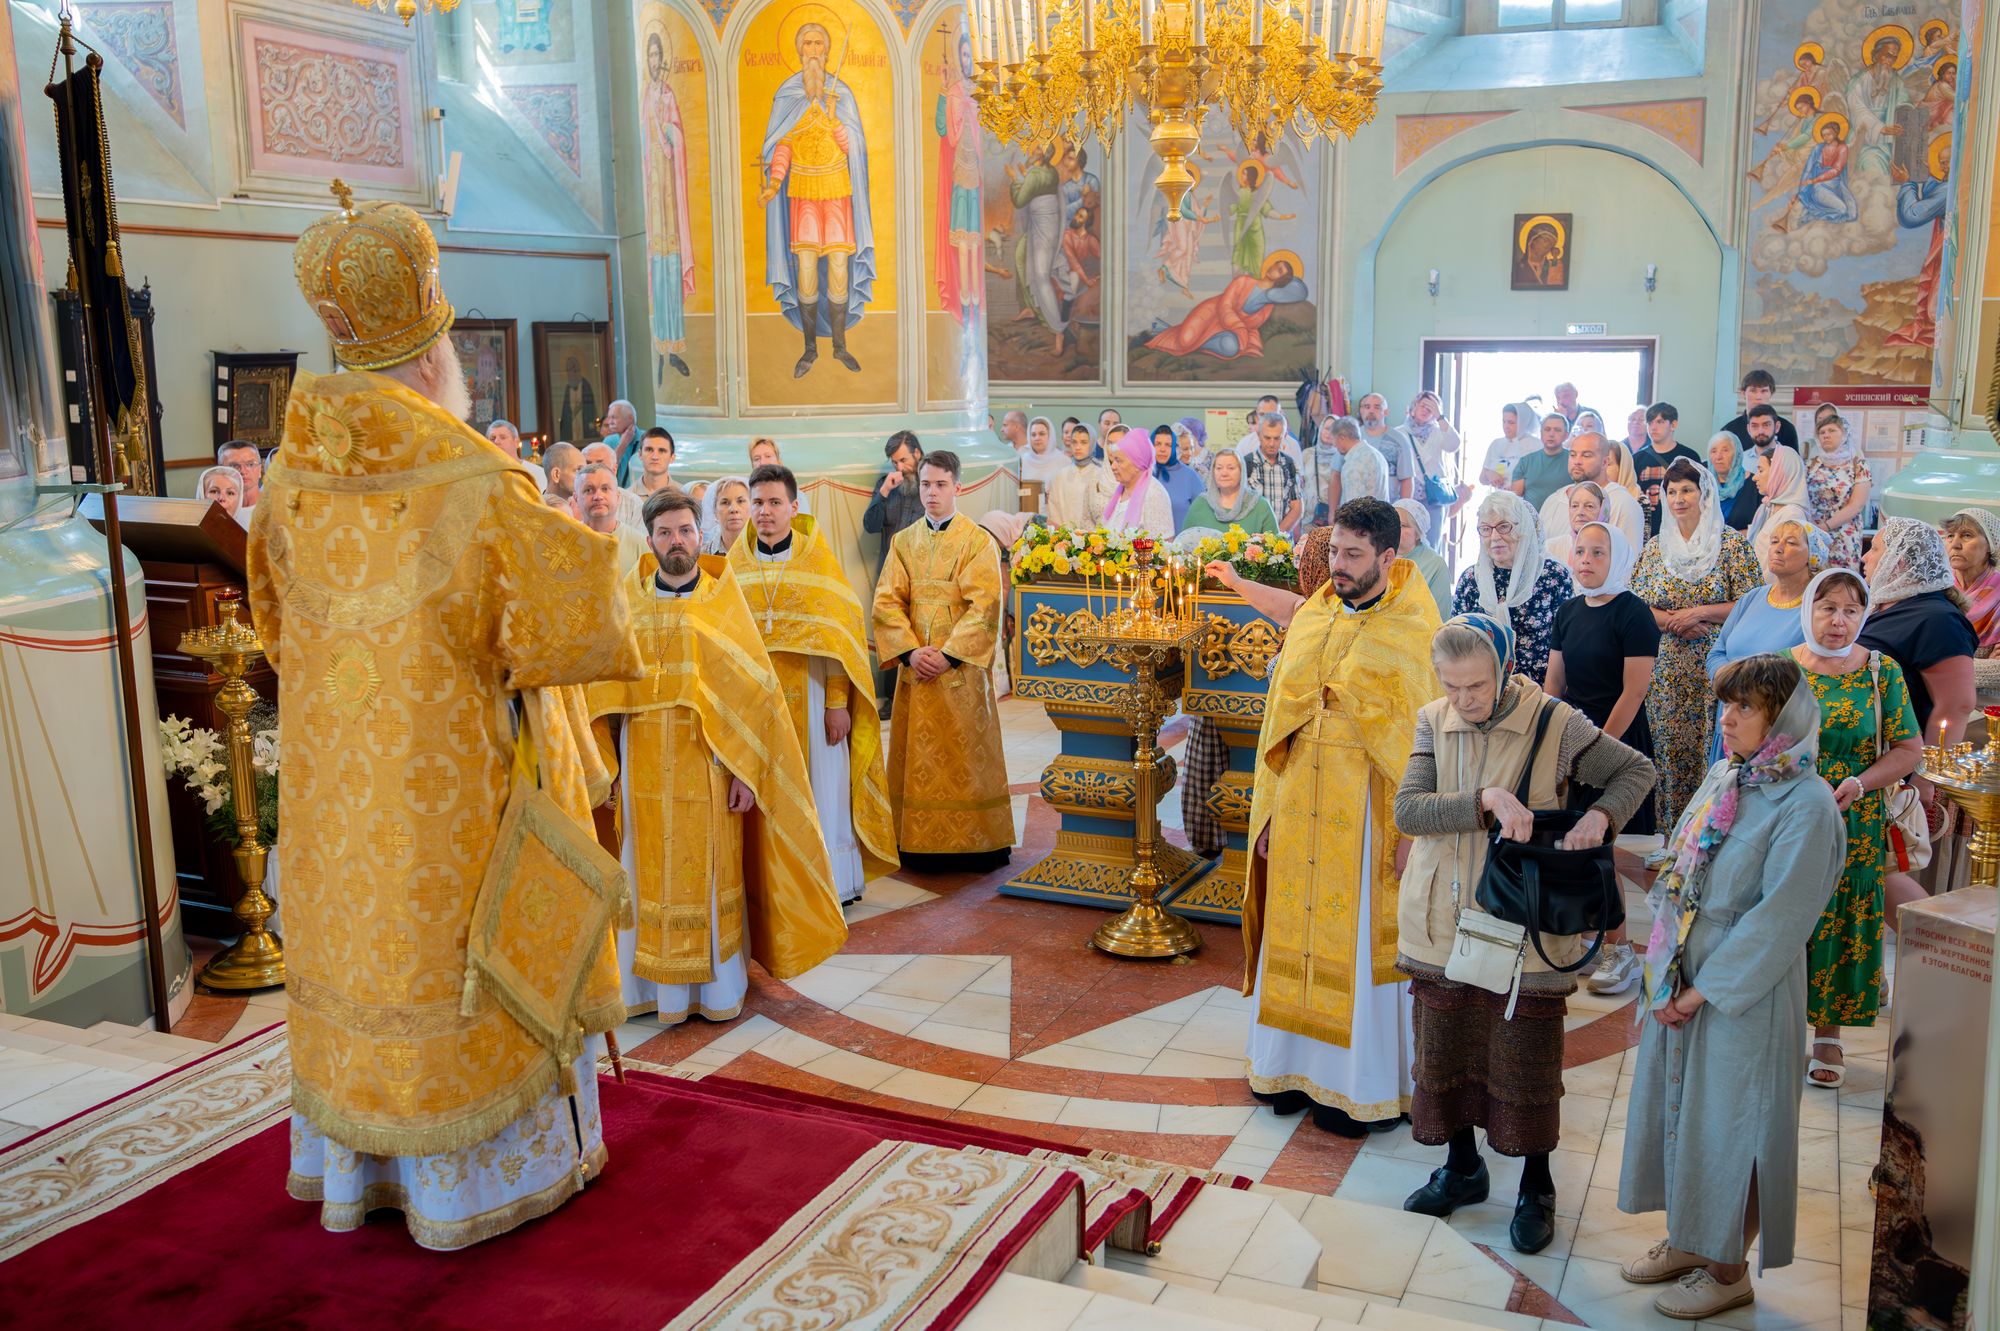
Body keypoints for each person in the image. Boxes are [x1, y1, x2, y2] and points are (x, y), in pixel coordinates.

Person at [258, 184, 642, 1248]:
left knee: (368, 945)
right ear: (435, 354)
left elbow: (276, 624)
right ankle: (472, 1186)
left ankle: (364, 1170)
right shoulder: (479, 480)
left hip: (340, 793)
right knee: (459, 954)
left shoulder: (287, 479)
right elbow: (580, 634)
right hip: (458, 799)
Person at [1396, 613, 1654, 1251]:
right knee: (1445, 1046)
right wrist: (1484, 799)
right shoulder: (1433, 720)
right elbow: (1409, 811)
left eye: (1476, 686)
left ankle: (1537, 1187)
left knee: (1525, 1058)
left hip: (1524, 921)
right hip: (1441, 918)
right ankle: (1462, 1168)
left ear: (1506, 669)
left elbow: (1635, 772)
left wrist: (1601, 816)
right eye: (1452, 686)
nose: (1464, 700)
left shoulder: (1554, 722)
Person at [1618, 654, 1844, 1319]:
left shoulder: (1808, 804)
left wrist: (1702, 991)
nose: (1728, 718)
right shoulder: (1728, 774)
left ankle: (1727, 1270)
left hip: (1747, 988)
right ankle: (1693, 1240)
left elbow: (1781, 919)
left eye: (1746, 706)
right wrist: (1663, 972)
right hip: (1687, 970)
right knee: (1688, 1113)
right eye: (1726, 704)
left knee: (1737, 1124)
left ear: (1784, 716)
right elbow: (1682, 864)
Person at [590, 489, 847, 1026]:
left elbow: (753, 698)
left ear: (700, 535)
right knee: (641, 871)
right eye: (665, 533)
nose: (676, 542)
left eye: (685, 531)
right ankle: (648, 989)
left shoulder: (721, 601)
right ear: (650, 539)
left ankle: (712, 993)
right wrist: (607, 768)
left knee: (709, 874)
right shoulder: (627, 602)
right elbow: (602, 697)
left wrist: (746, 774)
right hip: (640, 768)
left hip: (709, 766)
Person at [1231, 498, 1442, 1136]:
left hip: (1370, 815)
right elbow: (1280, 723)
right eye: (1334, 553)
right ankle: (1287, 1070)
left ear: (1388, 556)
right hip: (1300, 802)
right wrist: (1269, 813)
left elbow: (1423, 741)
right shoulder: (1316, 614)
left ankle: (1358, 1087)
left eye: (1353, 555)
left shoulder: (1414, 625)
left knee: (1355, 946)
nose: (1339, 566)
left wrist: (1411, 830)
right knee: (1294, 931)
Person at [731, 465, 899, 905]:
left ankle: (831, 884)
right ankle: (773, 884)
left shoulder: (817, 561)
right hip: (756, 704)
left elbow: (839, 640)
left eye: (774, 502)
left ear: (793, 507)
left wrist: (837, 702)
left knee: (823, 790)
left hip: (813, 696)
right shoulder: (735, 566)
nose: (764, 512)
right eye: (757, 502)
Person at [1789, 570, 1921, 1089]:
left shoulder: (1881, 672)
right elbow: (1750, 741)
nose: (1838, 621)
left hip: (1855, 818)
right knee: (1785, 910)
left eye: (1850, 610)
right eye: (1827, 607)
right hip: (1789, 812)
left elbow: (1908, 748)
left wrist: (1860, 783)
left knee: (1840, 919)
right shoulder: (1781, 669)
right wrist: (1800, 779)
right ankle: (1777, 1024)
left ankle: (1829, 1033)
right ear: (1808, 609)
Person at [872, 451, 1013, 871]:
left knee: (963, 754)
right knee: (920, 756)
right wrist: (912, 652)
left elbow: (985, 604)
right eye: (926, 485)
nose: (931, 493)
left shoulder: (977, 541)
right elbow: (887, 602)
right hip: (916, 670)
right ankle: (914, 840)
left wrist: (949, 655)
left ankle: (976, 842)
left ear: (958, 487)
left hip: (960, 673)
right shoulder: (903, 541)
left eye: (940, 485)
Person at [1632, 461, 1763, 830]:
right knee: (1668, 749)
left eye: (1687, 490)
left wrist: (1700, 613)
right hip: (1667, 670)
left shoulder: (1731, 544)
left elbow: (1752, 602)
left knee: (1715, 746)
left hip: (1717, 666)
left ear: (1704, 495)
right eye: (1672, 492)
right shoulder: (1656, 549)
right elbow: (1637, 605)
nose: (1678, 499)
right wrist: (1674, 621)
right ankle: (1671, 835)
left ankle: (1709, 832)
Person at [1704, 514, 1822, 763]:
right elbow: (1717, 652)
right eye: (1774, 541)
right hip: (1730, 718)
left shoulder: (1816, 610)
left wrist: (1747, 688)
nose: (1778, 548)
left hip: (1773, 728)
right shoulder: (1752, 598)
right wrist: (1731, 684)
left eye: (1791, 542)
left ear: (1813, 556)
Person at [1861, 518, 1978, 746]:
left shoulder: (1938, 620)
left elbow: (1956, 705)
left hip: (1899, 755)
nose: (1865, 557)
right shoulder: (1885, 604)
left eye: (1874, 549)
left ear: (1899, 561)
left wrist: (1926, 767)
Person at [1453, 491, 1574, 683]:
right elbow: (1456, 644)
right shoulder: (1471, 580)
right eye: (1485, 529)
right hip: (1481, 687)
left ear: (1524, 529)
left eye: (1503, 527)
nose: (1494, 537)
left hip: (1540, 689)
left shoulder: (1553, 575)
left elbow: (1568, 645)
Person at [1537, 433, 1645, 553]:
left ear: (1605, 462)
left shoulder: (1623, 502)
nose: (1577, 461)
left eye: (1586, 455)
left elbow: (1629, 556)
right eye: (1573, 455)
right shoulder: (1554, 499)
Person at [1805, 415, 1871, 569]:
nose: (1826, 435)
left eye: (1832, 430)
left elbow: (1857, 504)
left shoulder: (1858, 464)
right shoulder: (1811, 465)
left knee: (1841, 579)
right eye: (1822, 432)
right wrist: (1814, 527)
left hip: (1845, 536)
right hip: (1814, 532)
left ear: (1844, 434)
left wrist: (1825, 527)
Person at [1631, 403, 1704, 538]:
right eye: (1650, 423)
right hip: (1645, 528)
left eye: (1660, 422)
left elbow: (1701, 494)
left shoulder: (1689, 457)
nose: (1653, 427)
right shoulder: (1636, 459)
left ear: (1673, 424)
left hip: (1680, 527)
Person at [1404, 390, 1466, 545]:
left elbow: (1454, 444)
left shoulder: (1439, 432)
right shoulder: (1401, 432)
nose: (1426, 410)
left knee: (1432, 542)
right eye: (1423, 405)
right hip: (1409, 494)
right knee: (1408, 543)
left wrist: (1440, 416)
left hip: (1434, 496)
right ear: (1414, 407)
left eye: (1431, 407)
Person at [861, 429, 927, 576]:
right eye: (895, 462)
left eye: (903, 460)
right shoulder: (885, 485)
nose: (899, 468)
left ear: (917, 453)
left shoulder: (933, 486)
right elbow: (870, 527)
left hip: (921, 576)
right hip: (889, 574)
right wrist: (884, 491)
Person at [1942, 507, 2000, 654]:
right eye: (1950, 536)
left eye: (1967, 535)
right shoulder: (1937, 587)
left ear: (1990, 545)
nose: (1955, 544)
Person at [1183, 448, 1277, 534]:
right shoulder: (1200, 504)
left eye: (1231, 468)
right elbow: (1183, 543)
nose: (1224, 473)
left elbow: (1275, 544)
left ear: (1242, 472)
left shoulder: (1261, 507)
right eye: (1219, 468)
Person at [1102, 429, 1177, 535]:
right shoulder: (1120, 490)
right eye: (1113, 461)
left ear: (1137, 464)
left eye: (1119, 461)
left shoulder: (1154, 494)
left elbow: (1164, 542)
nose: (1113, 466)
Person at [574, 462, 648, 568]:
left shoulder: (641, 546)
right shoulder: (566, 542)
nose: (598, 496)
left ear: (618, 497)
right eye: (589, 490)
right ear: (576, 498)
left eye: (605, 489)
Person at [1318, 414, 1390, 517]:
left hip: (1362, 524)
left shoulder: (1353, 464)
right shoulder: (1377, 455)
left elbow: (1353, 509)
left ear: (1341, 438)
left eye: (1334, 440)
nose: (1334, 445)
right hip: (1381, 520)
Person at [1242, 411, 1302, 535]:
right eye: (1267, 438)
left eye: (1277, 438)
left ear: (1284, 436)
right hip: (1250, 538)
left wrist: (1275, 535)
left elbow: (1296, 507)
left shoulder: (1290, 464)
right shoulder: (1246, 463)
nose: (1271, 443)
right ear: (1258, 435)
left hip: (1281, 539)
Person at [1721, 371, 1800, 458]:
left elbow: (1793, 462)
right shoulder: (1729, 431)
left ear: (1771, 393)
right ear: (1743, 393)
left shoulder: (1787, 429)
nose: (1758, 397)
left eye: (1764, 391)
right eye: (1753, 391)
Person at [1047, 423, 1112, 529]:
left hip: (1092, 536)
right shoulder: (1060, 476)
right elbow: (1054, 509)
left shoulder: (1100, 475)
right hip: (1063, 535)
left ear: (1092, 444)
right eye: (1074, 442)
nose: (1078, 447)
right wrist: (1062, 534)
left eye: (1083, 442)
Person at [1393, 499, 1451, 617]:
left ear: (1418, 532)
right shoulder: (1380, 557)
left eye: (1402, 525)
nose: (1394, 529)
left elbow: (1441, 615)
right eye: (1391, 523)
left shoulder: (1435, 564)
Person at [1356, 393, 1417, 500]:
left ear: (1386, 412)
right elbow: (1336, 475)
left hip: (1387, 506)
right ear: (1361, 411)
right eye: (1367, 407)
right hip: (1354, 506)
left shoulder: (1399, 440)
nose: (1371, 411)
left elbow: (1407, 479)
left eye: (1377, 407)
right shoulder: (1352, 437)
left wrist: (1403, 507)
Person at [1508, 414, 1573, 512]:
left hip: (1564, 518)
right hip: (1531, 519)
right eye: (1547, 429)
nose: (1551, 434)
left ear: (1566, 435)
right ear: (1541, 433)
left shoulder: (1574, 460)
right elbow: (1515, 500)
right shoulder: (1526, 461)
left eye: (1557, 430)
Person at [1150, 423, 1204, 530]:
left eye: (1168, 445)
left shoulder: (1190, 477)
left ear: (1175, 447)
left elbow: (1202, 516)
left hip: (1181, 540)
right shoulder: (1143, 474)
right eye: (1158, 444)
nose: (1162, 449)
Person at [583, 441, 646, 530]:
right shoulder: (571, 503)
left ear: (614, 470)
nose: (593, 471)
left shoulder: (633, 503)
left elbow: (639, 538)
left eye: (599, 465)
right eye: (588, 465)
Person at [1478, 401, 1541, 489]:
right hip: (1499, 495)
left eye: (1511, 422)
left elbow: (1539, 479)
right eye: (1504, 422)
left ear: (1523, 423)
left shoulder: (1536, 446)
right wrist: (1490, 474)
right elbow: (1482, 479)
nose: (1506, 426)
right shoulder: (1496, 444)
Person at [1545, 481, 1604, 570]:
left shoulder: (1613, 550)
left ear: (1603, 511)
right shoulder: (1551, 548)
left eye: (1589, 506)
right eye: (1575, 506)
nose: (1580, 512)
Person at [1232, 392, 1304, 464]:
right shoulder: (1245, 444)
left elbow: (1299, 470)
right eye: (1262, 414)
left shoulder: (1292, 445)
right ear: (1257, 413)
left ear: (1280, 413)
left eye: (1272, 414)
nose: (1267, 418)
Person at [1707, 432, 1752, 530]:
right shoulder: (1703, 484)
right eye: (1713, 451)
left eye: (1725, 450)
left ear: (1737, 454)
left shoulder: (1754, 485)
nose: (1718, 457)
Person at [700, 474, 751, 555]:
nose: (733, 509)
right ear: (715, 511)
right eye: (725, 502)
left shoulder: (765, 552)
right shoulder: (703, 555)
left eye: (740, 501)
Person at [627, 426, 678, 503]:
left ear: (672, 457)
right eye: (649, 449)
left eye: (662, 451)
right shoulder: (626, 497)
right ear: (640, 454)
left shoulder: (684, 496)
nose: (655, 457)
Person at [217, 439, 265, 518]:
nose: (243, 471)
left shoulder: (278, 507)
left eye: (250, 464)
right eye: (234, 466)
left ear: (260, 469)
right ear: (220, 471)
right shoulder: (215, 512)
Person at [1018, 414, 1068, 485]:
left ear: (1050, 436)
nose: (1037, 438)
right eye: (1033, 435)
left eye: (1041, 434)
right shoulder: (1023, 460)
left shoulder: (1063, 460)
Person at [602, 400, 640, 485]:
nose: (610, 422)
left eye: (614, 417)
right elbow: (605, 471)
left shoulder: (646, 439)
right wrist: (623, 445)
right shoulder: (609, 441)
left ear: (630, 418)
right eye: (609, 418)